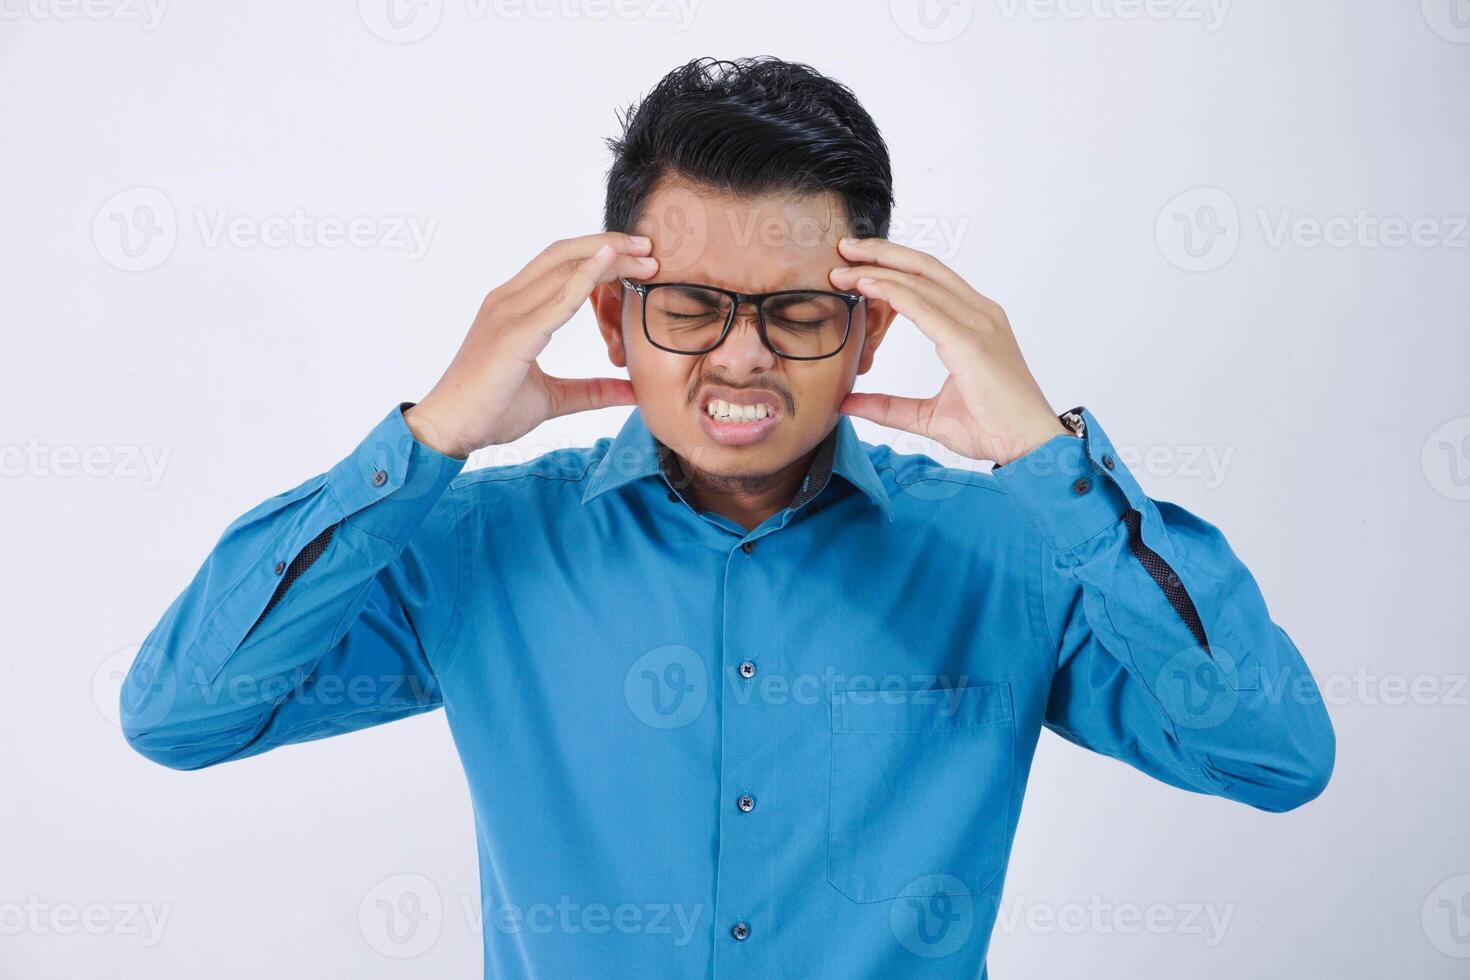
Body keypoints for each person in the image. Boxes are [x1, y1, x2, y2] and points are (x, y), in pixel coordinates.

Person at [120, 56, 1335, 978]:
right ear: (612, 321)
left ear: (869, 327)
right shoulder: (475, 548)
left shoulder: (1011, 552)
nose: (741, 358)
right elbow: (180, 714)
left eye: (800, 311)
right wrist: (428, 437)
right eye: (690, 305)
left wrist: (1048, 459)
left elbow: (1273, 754)